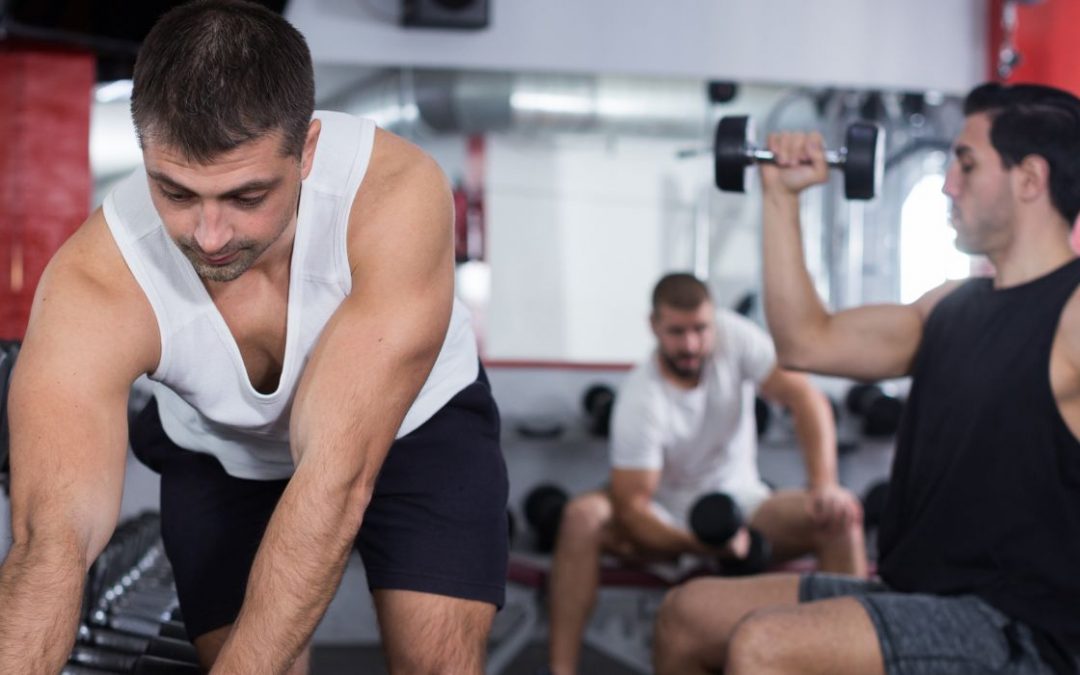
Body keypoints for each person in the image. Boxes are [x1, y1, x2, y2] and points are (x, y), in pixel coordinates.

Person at [0, 1, 508, 673]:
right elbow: (50, 540)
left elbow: (336, 478)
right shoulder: (97, 280)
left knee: (435, 661)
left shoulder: (392, 199)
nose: (208, 236)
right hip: (220, 453)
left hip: (418, 426)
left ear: (308, 151)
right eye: (175, 192)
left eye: (245, 197)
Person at [653, 82, 1080, 675]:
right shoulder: (951, 307)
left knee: (767, 645)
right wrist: (780, 196)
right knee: (687, 613)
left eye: (966, 162)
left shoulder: (1073, 312)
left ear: (1030, 179)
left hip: (1016, 629)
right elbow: (806, 340)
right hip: (918, 595)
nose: (947, 183)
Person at [545, 272, 865, 675]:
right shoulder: (641, 398)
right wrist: (703, 545)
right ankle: (560, 670)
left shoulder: (736, 338)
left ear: (714, 320)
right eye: (677, 332)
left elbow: (805, 398)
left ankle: (856, 661)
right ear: (654, 327)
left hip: (745, 503)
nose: (692, 344)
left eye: (700, 329)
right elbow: (631, 509)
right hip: (663, 516)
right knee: (581, 516)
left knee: (838, 517)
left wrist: (824, 485)